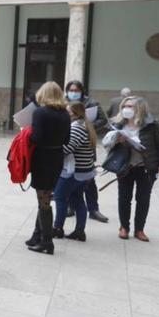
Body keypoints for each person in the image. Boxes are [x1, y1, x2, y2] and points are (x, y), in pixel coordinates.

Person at [102, 97, 159, 242]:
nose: (127, 109)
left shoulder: (152, 125)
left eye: (131, 106)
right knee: (124, 197)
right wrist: (117, 141)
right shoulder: (118, 124)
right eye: (125, 106)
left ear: (140, 109)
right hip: (125, 166)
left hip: (146, 167)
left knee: (143, 199)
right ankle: (124, 227)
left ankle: (139, 229)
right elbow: (108, 144)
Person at [25, 81, 71, 255]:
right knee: (44, 197)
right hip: (57, 157)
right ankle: (36, 236)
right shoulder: (65, 114)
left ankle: (47, 242)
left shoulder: (40, 112)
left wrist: (26, 131)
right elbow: (66, 140)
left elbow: (36, 138)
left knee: (44, 201)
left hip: (43, 158)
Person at [51, 102, 98, 242]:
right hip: (84, 172)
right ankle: (79, 231)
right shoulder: (85, 126)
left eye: (68, 112)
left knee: (60, 197)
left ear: (75, 114)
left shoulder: (77, 128)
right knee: (77, 200)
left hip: (73, 172)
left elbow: (66, 149)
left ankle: (57, 228)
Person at [64, 80, 109, 223]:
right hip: (69, 145)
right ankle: (71, 207)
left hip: (85, 146)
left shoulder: (91, 103)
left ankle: (93, 209)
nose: (73, 92)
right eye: (71, 90)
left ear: (82, 91)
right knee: (68, 178)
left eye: (76, 90)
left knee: (89, 180)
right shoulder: (62, 102)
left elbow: (103, 120)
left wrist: (86, 126)